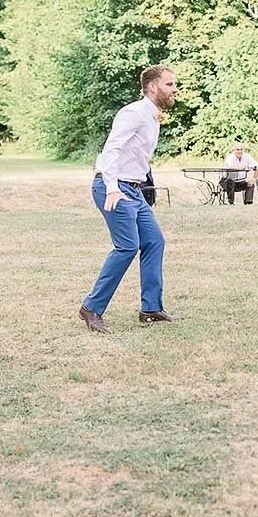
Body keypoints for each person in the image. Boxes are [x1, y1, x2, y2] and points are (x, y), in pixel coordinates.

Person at [79, 65, 181, 334]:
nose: (174, 90)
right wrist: (113, 188)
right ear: (153, 87)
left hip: (133, 189)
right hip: (113, 186)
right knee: (126, 246)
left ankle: (150, 309)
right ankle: (91, 308)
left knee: (153, 241)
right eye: (170, 85)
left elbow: (137, 157)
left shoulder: (152, 116)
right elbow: (111, 149)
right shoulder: (133, 113)